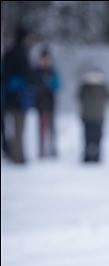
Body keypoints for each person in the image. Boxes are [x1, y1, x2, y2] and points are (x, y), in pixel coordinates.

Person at [1, 25, 36, 163]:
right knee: (19, 127)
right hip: (18, 97)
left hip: (9, 97)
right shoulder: (21, 53)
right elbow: (27, 75)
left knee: (13, 127)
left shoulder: (10, 52)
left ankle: (13, 153)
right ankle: (17, 156)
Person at [77, 68, 109, 162]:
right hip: (99, 116)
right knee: (97, 137)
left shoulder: (85, 85)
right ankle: (97, 156)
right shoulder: (102, 85)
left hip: (87, 115)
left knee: (87, 137)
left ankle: (87, 156)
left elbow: (79, 96)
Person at [33, 47, 61, 158]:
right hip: (40, 102)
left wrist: (51, 83)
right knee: (41, 126)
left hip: (50, 102)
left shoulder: (52, 71)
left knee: (51, 126)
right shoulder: (36, 72)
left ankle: (52, 149)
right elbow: (33, 85)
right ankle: (42, 150)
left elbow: (58, 85)